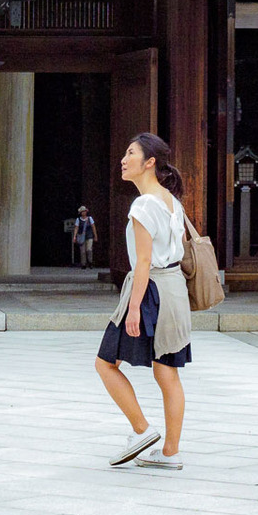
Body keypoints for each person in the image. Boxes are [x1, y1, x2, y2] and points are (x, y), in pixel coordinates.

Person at [95, 133, 194, 470]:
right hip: (174, 291)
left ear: (150, 162)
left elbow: (143, 262)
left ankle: (142, 430)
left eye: (131, 153)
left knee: (105, 363)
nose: (124, 160)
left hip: (151, 291)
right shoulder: (171, 201)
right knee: (168, 374)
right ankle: (170, 452)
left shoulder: (143, 205)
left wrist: (134, 307)